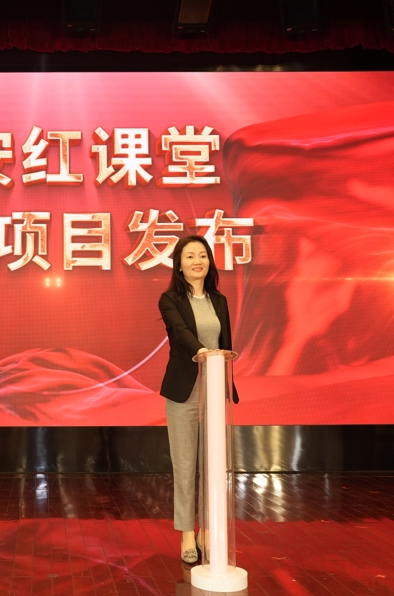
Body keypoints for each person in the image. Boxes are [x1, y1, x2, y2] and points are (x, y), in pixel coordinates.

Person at [158, 235, 238, 564]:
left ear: (209, 262)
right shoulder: (170, 299)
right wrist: (202, 351)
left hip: (215, 388)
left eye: (202, 255)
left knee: (212, 463)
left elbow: (226, 341)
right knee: (185, 464)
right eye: (190, 256)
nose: (197, 261)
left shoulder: (219, 300)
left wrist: (221, 363)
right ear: (179, 264)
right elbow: (180, 333)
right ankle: (187, 533)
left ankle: (207, 529)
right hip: (184, 390)